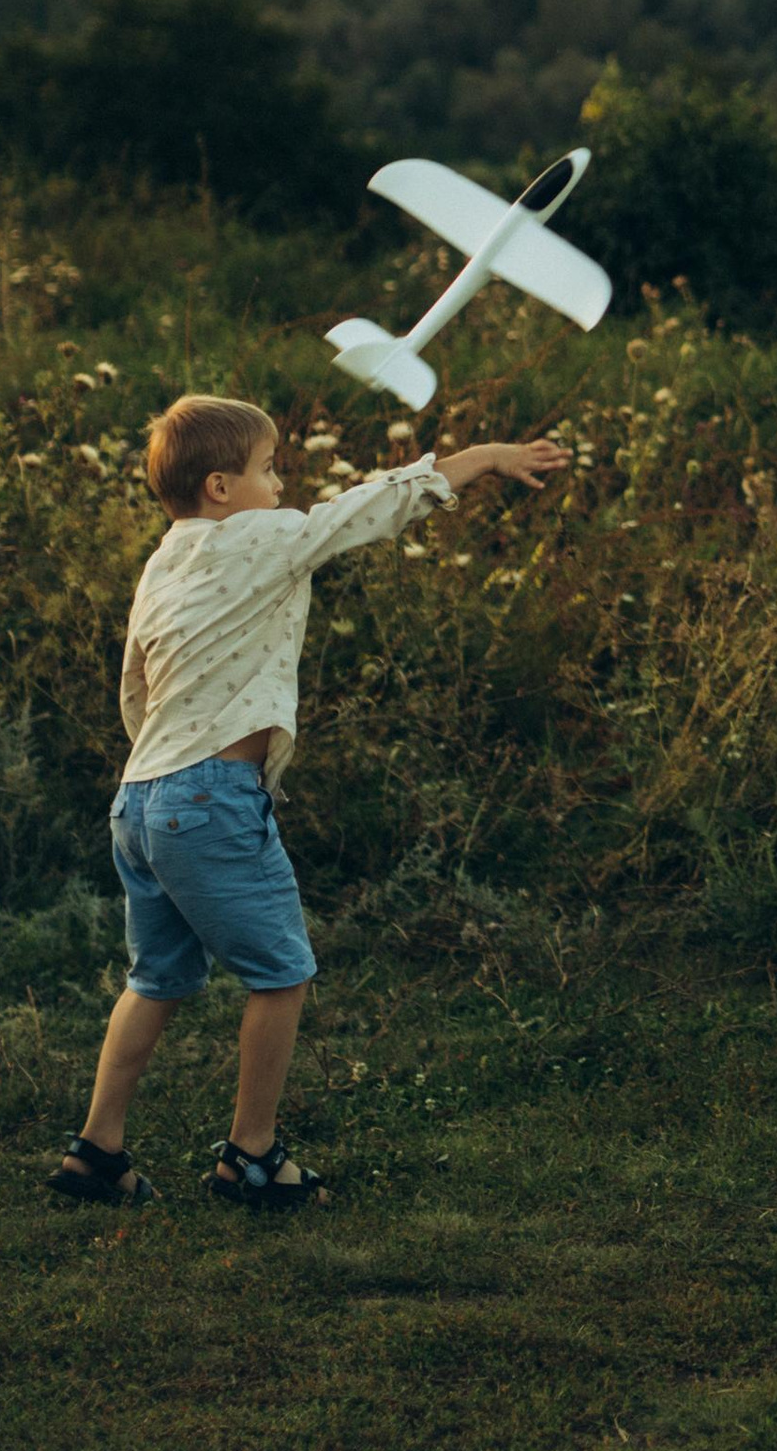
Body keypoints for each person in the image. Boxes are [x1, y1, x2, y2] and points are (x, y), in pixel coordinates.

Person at [44, 395, 569, 1213]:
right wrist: (488, 455)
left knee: (156, 979)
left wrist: (164, 765)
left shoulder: (163, 562)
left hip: (141, 797)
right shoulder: (260, 537)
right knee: (281, 974)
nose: (282, 483)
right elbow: (376, 504)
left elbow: (136, 686)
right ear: (221, 486)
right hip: (209, 799)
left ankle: (96, 1150)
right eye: (268, 468)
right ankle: (252, 1156)